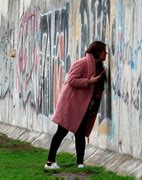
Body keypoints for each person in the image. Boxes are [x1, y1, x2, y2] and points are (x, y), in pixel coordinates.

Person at [45, 41, 108, 169]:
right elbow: (71, 80)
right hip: (70, 105)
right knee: (61, 132)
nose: (106, 54)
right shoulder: (82, 63)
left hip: (82, 107)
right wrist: (89, 82)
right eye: (103, 51)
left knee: (80, 134)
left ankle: (80, 163)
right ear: (97, 51)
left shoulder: (98, 67)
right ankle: (50, 162)